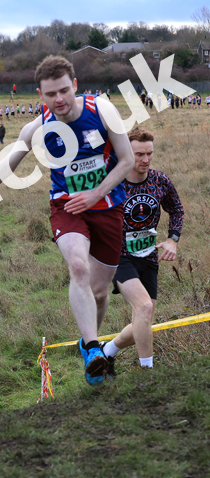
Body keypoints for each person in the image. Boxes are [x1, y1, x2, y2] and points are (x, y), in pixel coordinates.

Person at [0, 55, 134, 385]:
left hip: (108, 206)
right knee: (78, 266)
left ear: (75, 85)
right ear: (41, 94)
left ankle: (86, 340)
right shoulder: (36, 127)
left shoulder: (103, 111)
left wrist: (96, 194)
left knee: (99, 291)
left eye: (64, 90)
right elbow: (7, 165)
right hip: (65, 207)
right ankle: (94, 350)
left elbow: (127, 160)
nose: (59, 99)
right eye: (51, 94)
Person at [102, 129, 183, 375]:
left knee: (144, 319)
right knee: (145, 308)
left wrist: (172, 240)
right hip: (118, 255)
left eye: (149, 154)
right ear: (126, 152)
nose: (145, 160)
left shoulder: (160, 181)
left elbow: (176, 210)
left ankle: (107, 352)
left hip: (148, 256)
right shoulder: (112, 181)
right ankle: (148, 374)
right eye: (139, 154)